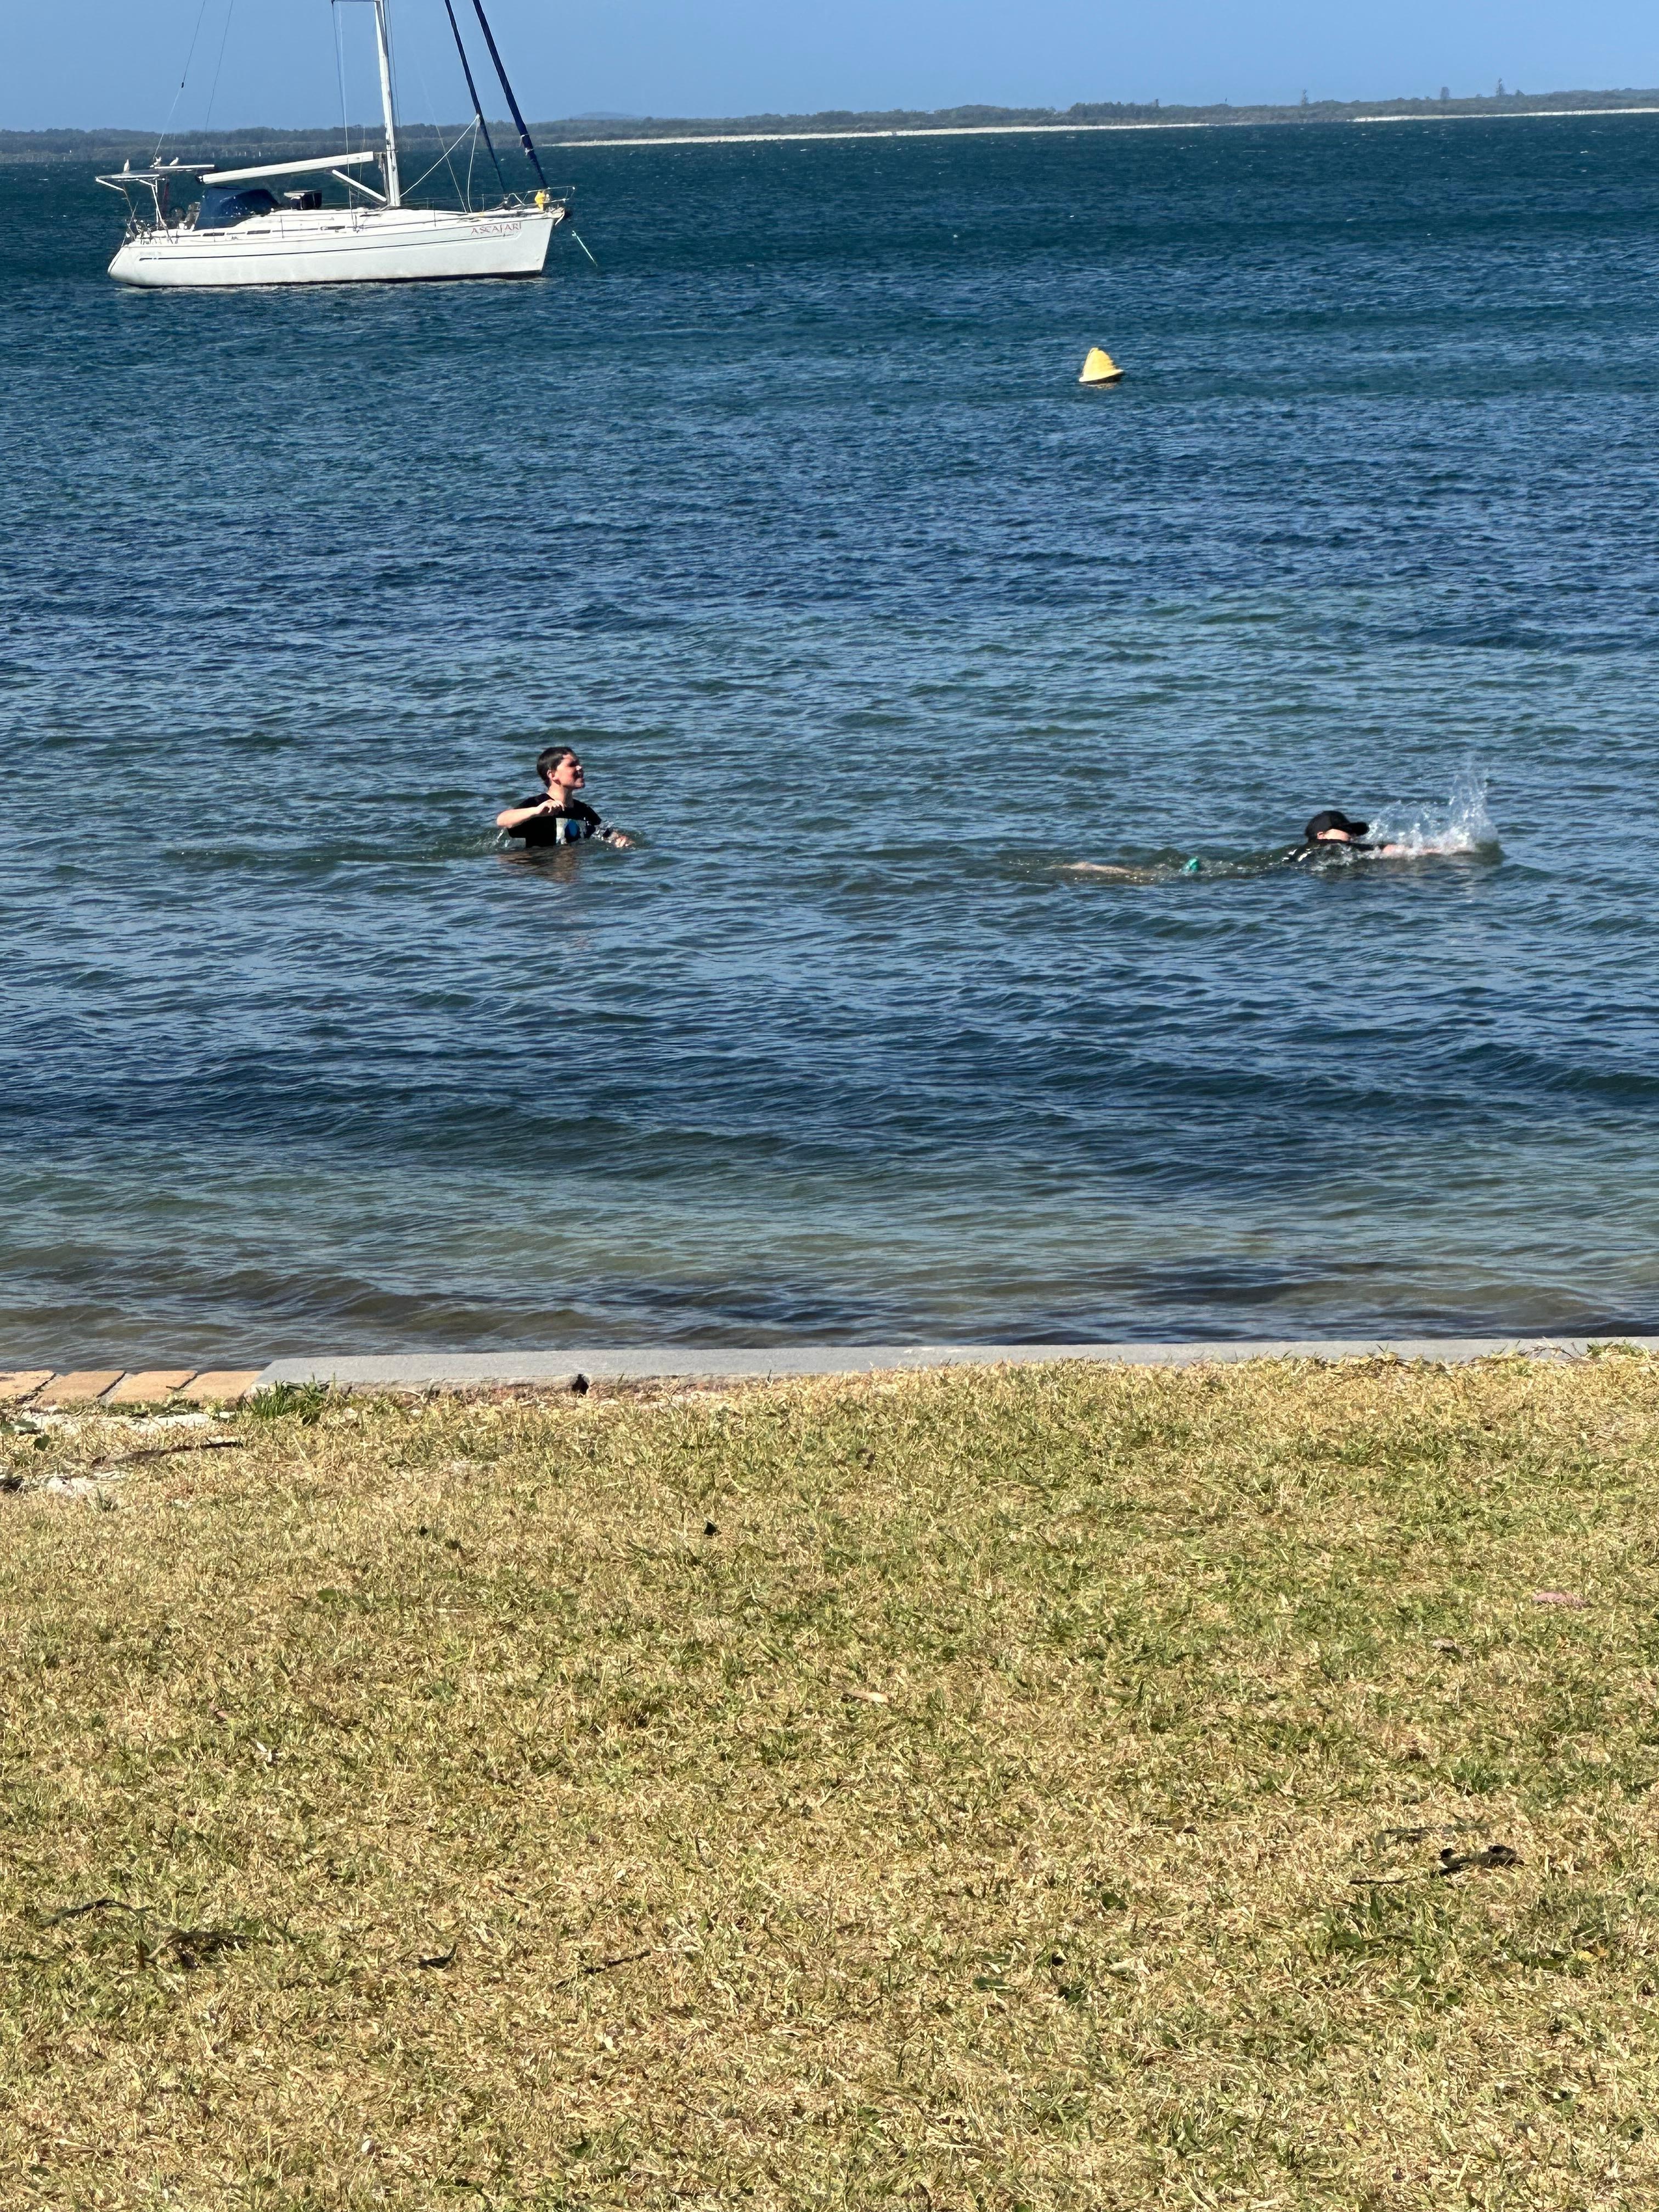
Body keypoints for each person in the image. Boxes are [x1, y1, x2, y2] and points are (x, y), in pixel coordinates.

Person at [496, 746, 635, 849]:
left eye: (579, 763)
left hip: (573, 870)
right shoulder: (539, 804)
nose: (580, 768)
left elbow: (606, 834)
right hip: (540, 872)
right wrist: (537, 812)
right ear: (553, 775)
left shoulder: (584, 811)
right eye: (572, 765)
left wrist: (621, 840)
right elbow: (503, 820)